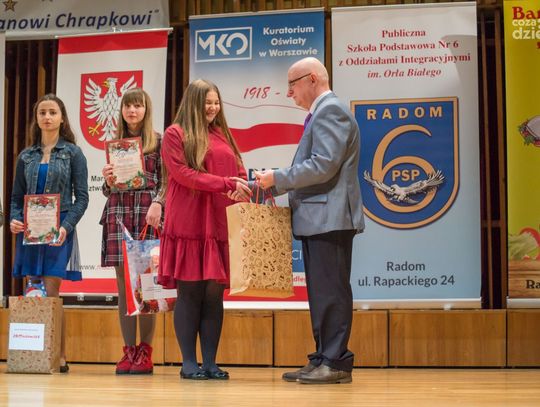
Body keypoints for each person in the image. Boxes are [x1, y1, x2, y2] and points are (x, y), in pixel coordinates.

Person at [255, 57, 365, 384]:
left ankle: (335, 361)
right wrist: (273, 183)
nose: (289, 93)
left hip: (329, 218)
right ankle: (323, 357)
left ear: (312, 79)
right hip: (320, 218)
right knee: (321, 294)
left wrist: (278, 177)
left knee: (331, 293)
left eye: (292, 84)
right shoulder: (322, 113)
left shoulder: (331, 111)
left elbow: (323, 165)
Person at [158, 79, 251, 380]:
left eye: (216, 102)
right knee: (190, 292)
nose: (212, 108)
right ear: (193, 103)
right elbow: (183, 174)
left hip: (219, 220)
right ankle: (188, 363)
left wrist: (240, 185)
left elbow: (238, 168)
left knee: (214, 295)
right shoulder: (175, 133)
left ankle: (210, 362)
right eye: (207, 102)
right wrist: (225, 183)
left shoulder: (222, 133)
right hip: (189, 220)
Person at [10, 93, 89, 373]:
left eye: (52, 112)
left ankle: (58, 355)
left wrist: (67, 227)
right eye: (42, 112)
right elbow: (16, 197)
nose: (47, 117)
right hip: (30, 232)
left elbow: (82, 198)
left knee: (52, 292)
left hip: (59, 230)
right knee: (33, 290)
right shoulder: (26, 156)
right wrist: (15, 220)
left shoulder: (73, 153)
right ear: (36, 118)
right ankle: (31, 354)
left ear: (62, 118)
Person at [100, 88, 165, 375]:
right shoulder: (116, 144)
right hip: (119, 214)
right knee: (123, 287)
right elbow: (108, 190)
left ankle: (146, 351)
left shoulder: (159, 142)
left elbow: (166, 181)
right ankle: (128, 351)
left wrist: (159, 203)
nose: (132, 111)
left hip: (146, 215)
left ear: (146, 109)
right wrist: (107, 180)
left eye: (137, 106)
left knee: (147, 284)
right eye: (128, 106)